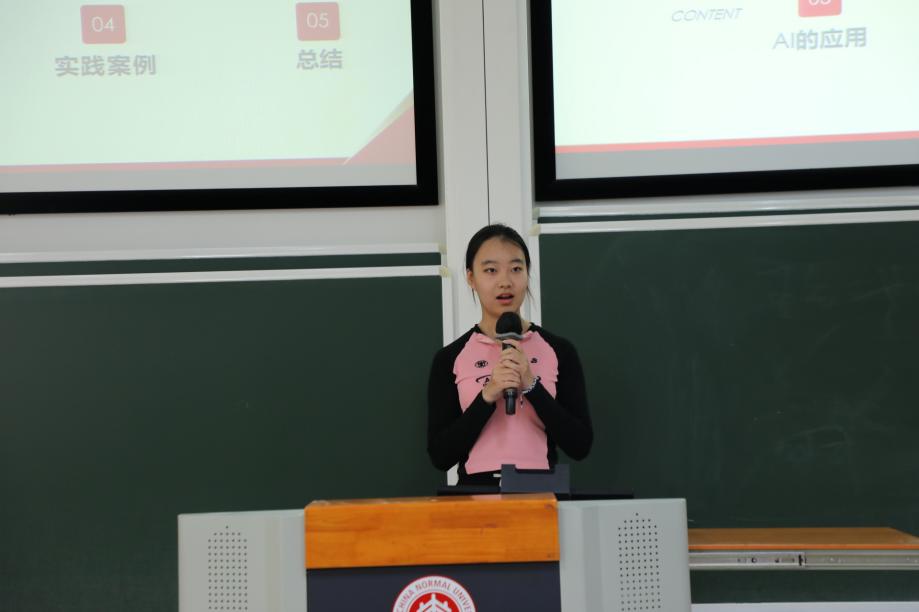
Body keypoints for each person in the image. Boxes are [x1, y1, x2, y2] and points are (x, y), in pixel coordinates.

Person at [427, 224, 593, 485]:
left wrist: (532, 385)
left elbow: (580, 445)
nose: (505, 281)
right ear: (471, 278)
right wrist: (487, 395)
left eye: (516, 269)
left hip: (541, 492)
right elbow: (440, 456)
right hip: (474, 495)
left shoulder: (559, 350)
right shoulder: (450, 358)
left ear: (527, 274)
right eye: (491, 270)